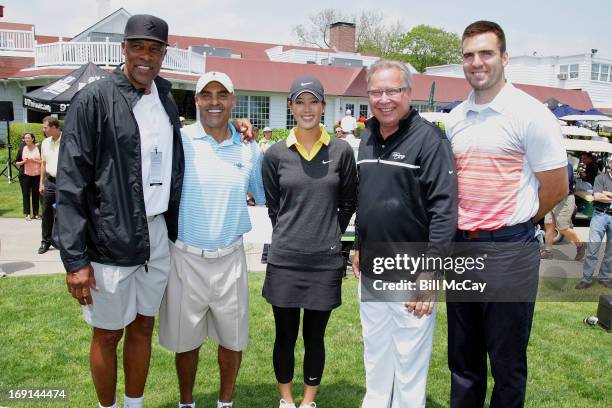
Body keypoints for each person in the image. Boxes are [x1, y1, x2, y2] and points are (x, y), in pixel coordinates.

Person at [56, 15, 186, 408]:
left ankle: (134, 404)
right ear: (124, 49)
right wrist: (75, 259)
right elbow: (71, 181)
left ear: (164, 54)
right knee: (108, 333)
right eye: (138, 47)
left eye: (155, 49)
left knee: (143, 326)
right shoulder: (94, 99)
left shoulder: (164, 97)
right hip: (109, 242)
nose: (146, 57)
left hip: (156, 235)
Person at [444, 21, 568, 408]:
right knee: (463, 362)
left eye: (486, 53)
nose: (476, 62)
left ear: (504, 57)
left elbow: (557, 186)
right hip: (463, 250)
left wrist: (522, 222)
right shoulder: (455, 117)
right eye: (468, 55)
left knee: (507, 363)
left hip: (510, 251)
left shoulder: (530, 114)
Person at [351, 59, 457, 408]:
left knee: (410, 369)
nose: (384, 99)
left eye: (393, 90)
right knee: (376, 357)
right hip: (373, 271)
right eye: (377, 92)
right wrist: (359, 246)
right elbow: (368, 199)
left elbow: (444, 211)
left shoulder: (429, 140)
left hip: (413, 275)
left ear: (408, 93)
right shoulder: (367, 137)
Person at [158, 71, 264, 408]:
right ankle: (186, 402)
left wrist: (247, 131)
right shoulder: (179, 140)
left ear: (233, 100)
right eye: (207, 95)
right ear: (197, 101)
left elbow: (261, 193)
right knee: (185, 342)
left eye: (222, 95)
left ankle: (225, 403)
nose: (214, 102)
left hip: (231, 257)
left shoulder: (249, 149)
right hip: (185, 257)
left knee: (233, 340)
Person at [262, 75, 357, 408]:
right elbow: (275, 206)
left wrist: (328, 230)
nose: (306, 109)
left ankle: (308, 401)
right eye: (299, 102)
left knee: (315, 336)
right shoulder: (274, 154)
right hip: (285, 259)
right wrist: (293, 232)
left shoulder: (342, 151)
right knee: (285, 335)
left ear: (322, 105)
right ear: (290, 106)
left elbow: (348, 202)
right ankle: (286, 400)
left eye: (313, 101)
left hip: (324, 260)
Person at [576, 156, 612, 289]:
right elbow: (597, 196)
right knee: (592, 249)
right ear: (610, 163)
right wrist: (604, 195)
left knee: (610, 251)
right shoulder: (601, 178)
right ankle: (586, 279)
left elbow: (602, 195)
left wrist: (607, 194)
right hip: (600, 215)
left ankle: (604, 277)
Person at [541, 162, 585, 260]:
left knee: (562, 227)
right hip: (551, 198)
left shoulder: (565, 165)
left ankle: (580, 245)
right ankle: (547, 251)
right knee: (549, 225)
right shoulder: (546, 164)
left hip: (564, 198)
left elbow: (565, 180)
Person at [38, 116, 61, 254]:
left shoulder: (67, 140)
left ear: (54, 127)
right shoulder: (45, 142)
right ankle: (45, 241)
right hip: (50, 182)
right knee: (46, 212)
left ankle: (61, 241)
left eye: (45, 127)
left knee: (63, 213)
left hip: (65, 182)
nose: (43, 129)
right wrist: (41, 183)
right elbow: (43, 164)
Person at [14, 132, 41, 221]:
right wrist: (23, 162)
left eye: (28, 138)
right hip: (24, 175)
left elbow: (43, 162)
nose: (27, 139)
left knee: (36, 194)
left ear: (32, 139)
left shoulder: (39, 148)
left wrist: (35, 160)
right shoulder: (22, 148)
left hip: (37, 174)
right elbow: (16, 163)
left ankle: (36, 214)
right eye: (25, 138)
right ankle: (27, 214)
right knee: (25, 194)